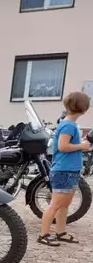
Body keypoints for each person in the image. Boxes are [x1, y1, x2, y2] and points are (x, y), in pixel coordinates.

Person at [38, 92, 91, 247]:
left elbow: (68, 145)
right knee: (55, 205)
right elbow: (63, 146)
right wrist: (81, 146)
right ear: (83, 109)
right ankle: (43, 235)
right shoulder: (68, 125)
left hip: (71, 171)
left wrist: (83, 146)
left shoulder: (69, 124)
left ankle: (60, 233)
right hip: (64, 171)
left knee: (64, 205)